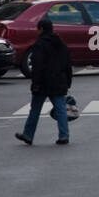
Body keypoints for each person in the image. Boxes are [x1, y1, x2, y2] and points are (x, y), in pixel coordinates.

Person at [16, 17, 73, 146]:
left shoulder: (40, 44)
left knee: (35, 110)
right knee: (61, 110)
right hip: (58, 81)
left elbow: (37, 66)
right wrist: (68, 82)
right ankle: (64, 136)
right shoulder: (61, 43)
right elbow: (67, 64)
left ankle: (28, 135)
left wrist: (35, 84)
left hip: (43, 82)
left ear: (41, 29)